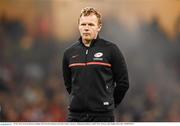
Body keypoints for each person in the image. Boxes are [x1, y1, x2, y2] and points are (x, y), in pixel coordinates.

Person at [62, 7, 129, 122]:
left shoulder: (111, 50)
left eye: (91, 25)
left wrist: (108, 104)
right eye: (83, 24)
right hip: (75, 117)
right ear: (78, 26)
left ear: (99, 27)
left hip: (103, 117)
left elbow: (123, 83)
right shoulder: (69, 53)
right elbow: (69, 85)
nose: (86, 28)